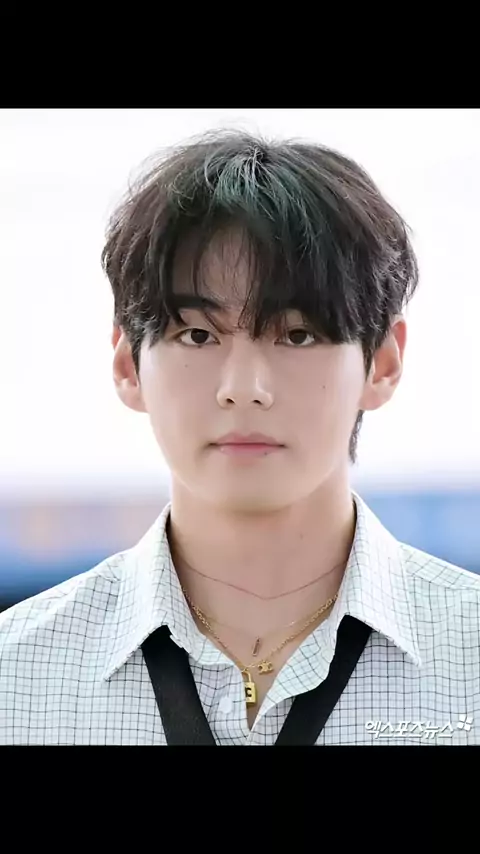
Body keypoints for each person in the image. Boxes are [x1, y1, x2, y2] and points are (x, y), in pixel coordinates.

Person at [1, 131, 479, 746]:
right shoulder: (17, 672)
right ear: (127, 364)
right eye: (198, 335)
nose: (244, 389)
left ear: (383, 362)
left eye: (298, 335)